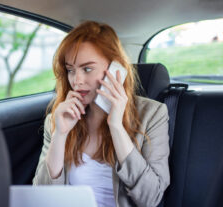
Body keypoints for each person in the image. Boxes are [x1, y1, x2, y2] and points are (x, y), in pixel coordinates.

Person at [33, 21, 170, 207]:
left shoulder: (153, 115)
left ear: (117, 69)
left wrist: (116, 127)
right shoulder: (58, 119)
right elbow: (42, 199)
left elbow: (151, 198)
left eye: (87, 69)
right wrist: (60, 135)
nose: (77, 81)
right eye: (70, 70)